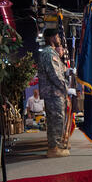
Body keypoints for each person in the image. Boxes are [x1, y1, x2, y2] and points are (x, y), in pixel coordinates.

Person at [38, 29, 69, 158]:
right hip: (54, 93)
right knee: (57, 119)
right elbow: (55, 75)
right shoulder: (49, 53)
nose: (59, 39)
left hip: (52, 92)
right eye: (57, 36)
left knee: (54, 120)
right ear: (51, 38)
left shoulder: (49, 52)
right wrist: (66, 87)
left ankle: (54, 146)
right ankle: (54, 148)